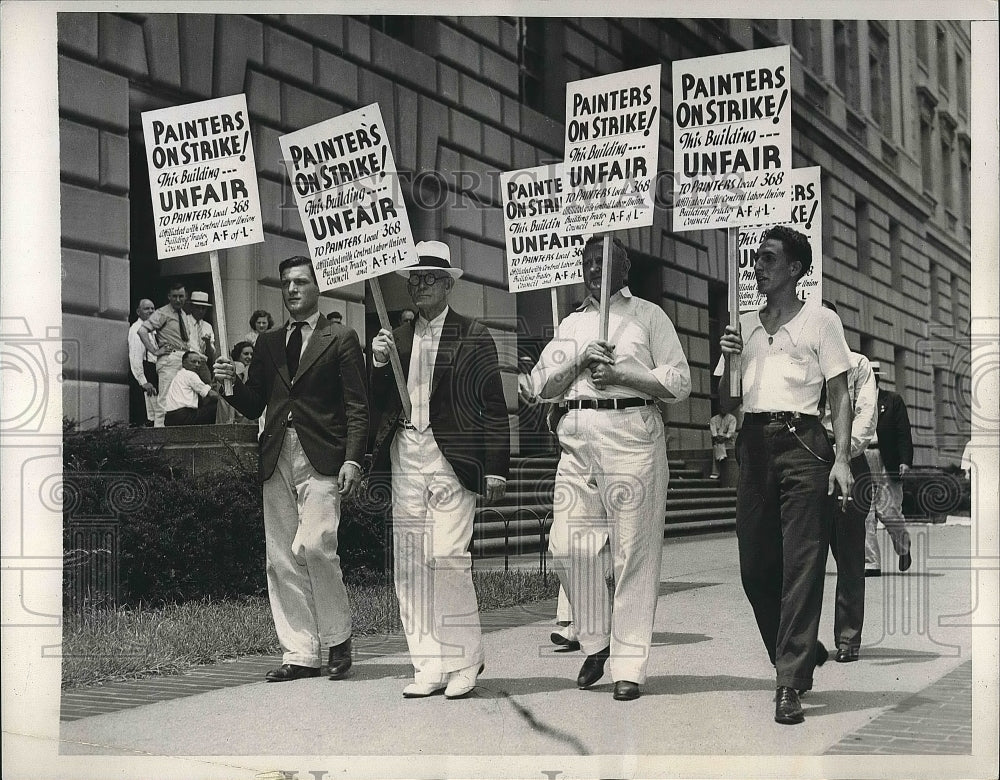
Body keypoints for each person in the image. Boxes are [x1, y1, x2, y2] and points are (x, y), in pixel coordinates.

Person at [529, 234, 691, 702]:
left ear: (625, 270)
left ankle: (629, 665)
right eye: (587, 261)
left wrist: (623, 374)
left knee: (632, 554)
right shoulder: (573, 323)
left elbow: (679, 381)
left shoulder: (648, 316)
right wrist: (579, 360)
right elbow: (541, 385)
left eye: (604, 262)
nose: (593, 269)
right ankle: (596, 640)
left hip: (632, 432)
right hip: (578, 436)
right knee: (566, 543)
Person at [719, 226, 854, 725]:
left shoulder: (821, 321)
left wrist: (840, 459)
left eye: (769, 258)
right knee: (755, 568)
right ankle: (796, 650)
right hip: (753, 448)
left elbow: (840, 394)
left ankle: (789, 682)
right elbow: (728, 403)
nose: (758, 266)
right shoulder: (744, 326)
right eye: (757, 258)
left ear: (795, 269)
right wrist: (730, 358)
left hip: (803, 445)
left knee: (802, 564)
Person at [213, 255, 368, 682]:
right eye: (286, 283)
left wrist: (353, 457)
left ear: (318, 287)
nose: (293, 289)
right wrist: (229, 382)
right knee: (280, 555)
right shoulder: (268, 343)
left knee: (318, 545)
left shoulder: (341, 337)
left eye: (301, 281)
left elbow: (357, 405)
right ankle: (299, 651)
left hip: (323, 455)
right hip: (276, 453)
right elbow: (253, 402)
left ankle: (338, 639)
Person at [370, 240, 510, 700]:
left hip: (452, 457)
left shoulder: (473, 335)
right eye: (414, 278)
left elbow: (493, 405)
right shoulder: (397, 338)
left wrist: (495, 468)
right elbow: (378, 405)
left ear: (449, 283)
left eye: (430, 278)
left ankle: (465, 660)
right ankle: (427, 663)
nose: (420, 285)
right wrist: (376, 364)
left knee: (449, 557)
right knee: (410, 564)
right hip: (406, 453)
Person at [818, 301, 878, 664]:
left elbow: (866, 416)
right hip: (807, 462)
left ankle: (847, 638)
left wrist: (842, 453)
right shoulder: (799, 363)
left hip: (849, 463)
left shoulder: (858, 365)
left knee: (850, 558)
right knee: (803, 558)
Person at [863, 362, 913, 576]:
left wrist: (905, 461)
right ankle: (871, 563)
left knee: (889, 510)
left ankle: (903, 548)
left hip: (887, 459)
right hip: (862, 456)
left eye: (872, 376)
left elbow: (903, 433)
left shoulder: (892, 400)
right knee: (865, 511)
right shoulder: (856, 402)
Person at [139, 282, 199, 427]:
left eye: (181, 296)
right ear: (169, 297)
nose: (178, 300)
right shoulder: (161, 313)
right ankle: (158, 434)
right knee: (164, 397)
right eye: (174, 296)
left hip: (183, 357)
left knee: (181, 396)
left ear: (186, 297)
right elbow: (142, 331)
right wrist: (154, 351)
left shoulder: (183, 314)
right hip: (169, 358)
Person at [161, 351, 219, 426]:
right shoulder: (190, 374)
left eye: (199, 362)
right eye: (193, 362)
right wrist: (227, 400)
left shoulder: (179, 375)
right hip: (183, 416)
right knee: (216, 407)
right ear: (184, 363)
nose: (197, 365)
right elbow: (211, 394)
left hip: (169, 418)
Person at [128, 298, 159, 426]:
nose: (151, 311)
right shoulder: (137, 330)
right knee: (147, 414)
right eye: (147, 308)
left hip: (154, 371)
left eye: (152, 308)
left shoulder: (152, 329)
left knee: (156, 414)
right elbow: (135, 357)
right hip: (146, 373)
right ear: (138, 312)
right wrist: (143, 381)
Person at [188, 291, 217, 385]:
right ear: (191, 307)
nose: (200, 311)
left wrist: (208, 343)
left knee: (208, 388)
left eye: (203, 308)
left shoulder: (207, 326)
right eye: (197, 307)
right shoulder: (185, 321)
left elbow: (211, 354)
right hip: (188, 362)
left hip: (203, 364)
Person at [709, 404, 737, 479]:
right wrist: (717, 438)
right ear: (719, 409)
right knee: (717, 447)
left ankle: (716, 471)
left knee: (717, 448)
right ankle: (721, 457)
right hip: (718, 440)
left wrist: (724, 438)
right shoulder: (713, 419)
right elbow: (713, 431)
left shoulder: (732, 418)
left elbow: (731, 431)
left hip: (728, 441)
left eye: (725, 408)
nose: (723, 410)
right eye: (721, 408)